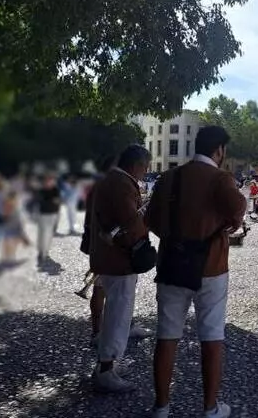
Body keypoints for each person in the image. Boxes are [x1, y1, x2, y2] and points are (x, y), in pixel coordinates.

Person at [148, 126, 246, 418]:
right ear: (219, 150)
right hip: (211, 268)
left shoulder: (168, 178)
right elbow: (238, 208)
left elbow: (151, 220)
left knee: (166, 335)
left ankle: (162, 406)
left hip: (171, 265)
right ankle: (210, 408)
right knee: (211, 337)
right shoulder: (220, 178)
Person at [89, 145, 152, 393]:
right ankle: (106, 368)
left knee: (117, 310)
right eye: (145, 167)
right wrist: (145, 222)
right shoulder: (121, 183)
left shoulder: (112, 179)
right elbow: (130, 223)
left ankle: (107, 364)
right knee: (118, 313)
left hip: (111, 257)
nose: (146, 172)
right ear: (136, 165)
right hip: (119, 260)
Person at [36, 173, 62, 266]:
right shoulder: (41, 190)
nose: (50, 182)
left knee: (49, 233)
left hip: (53, 213)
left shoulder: (56, 190)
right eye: (48, 180)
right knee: (42, 233)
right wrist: (51, 201)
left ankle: (46, 251)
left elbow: (59, 201)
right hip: (43, 214)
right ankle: (41, 251)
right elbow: (40, 201)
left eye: (51, 180)